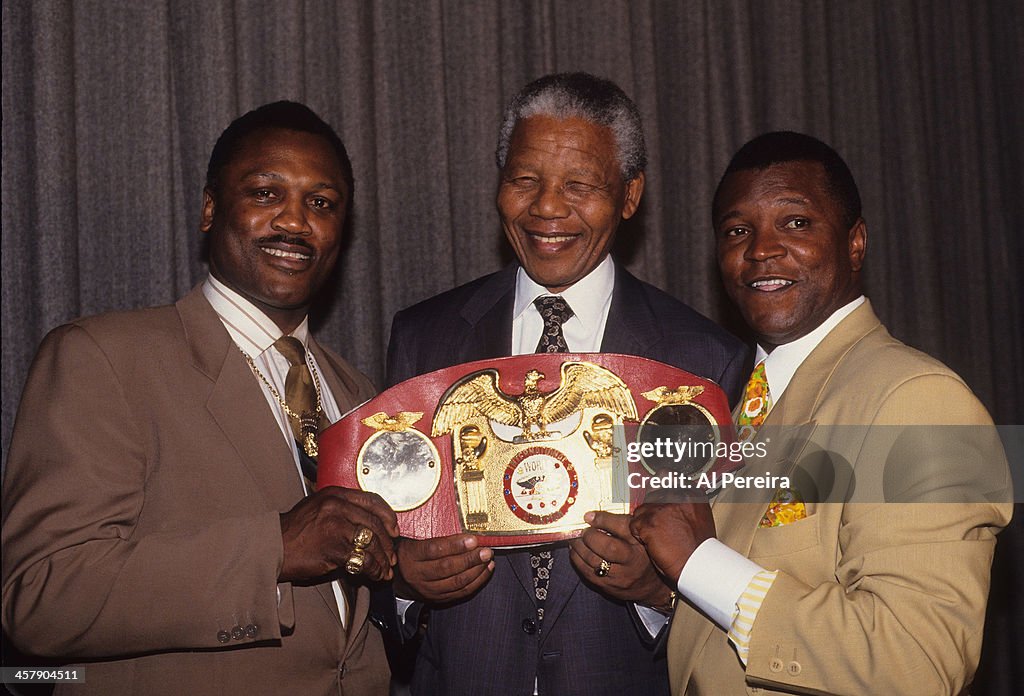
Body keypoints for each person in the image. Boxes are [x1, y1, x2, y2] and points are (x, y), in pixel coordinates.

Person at [2, 101, 399, 695]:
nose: (295, 222)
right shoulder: (102, 357)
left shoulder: (358, 392)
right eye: (266, 194)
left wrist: (410, 576)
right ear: (211, 209)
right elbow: (40, 595)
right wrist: (274, 550)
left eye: (322, 203)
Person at [382, 73, 747, 695]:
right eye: (525, 181)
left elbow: (734, 572)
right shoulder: (423, 338)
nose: (547, 208)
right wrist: (401, 583)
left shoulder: (705, 360)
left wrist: (660, 593)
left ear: (630, 196)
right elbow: (384, 532)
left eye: (579, 185)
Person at [630, 131, 1013, 695]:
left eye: (796, 223)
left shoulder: (922, 399)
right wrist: (660, 588)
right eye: (738, 231)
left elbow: (918, 662)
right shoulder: (726, 404)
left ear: (855, 243)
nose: (761, 249)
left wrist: (699, 563)